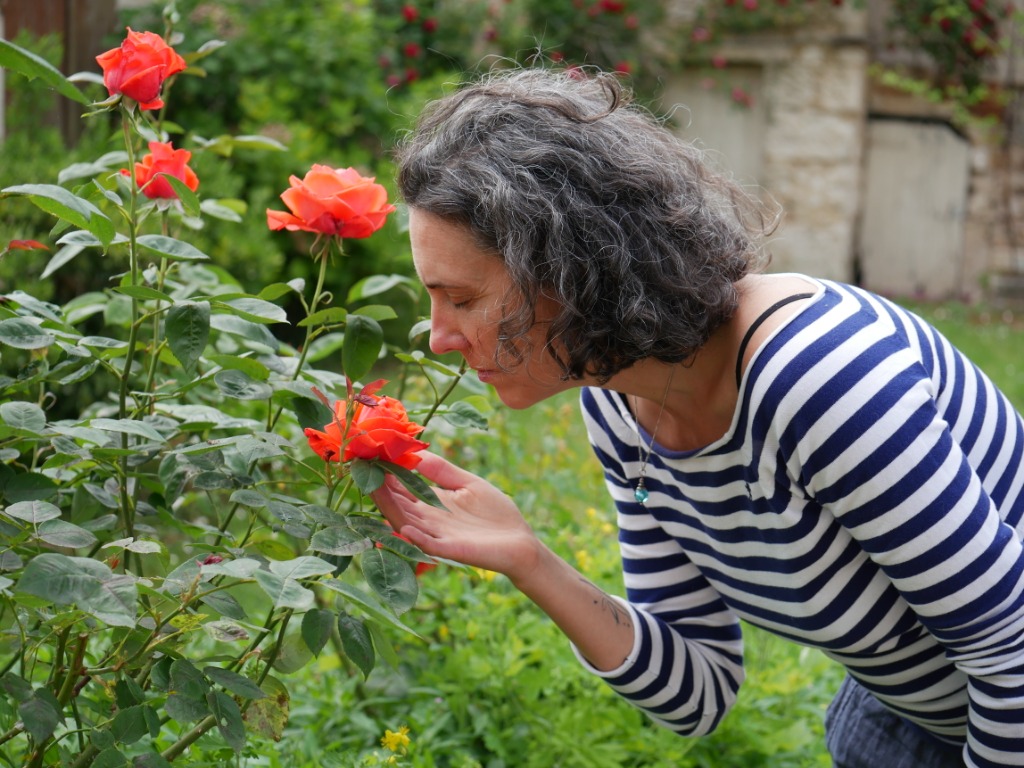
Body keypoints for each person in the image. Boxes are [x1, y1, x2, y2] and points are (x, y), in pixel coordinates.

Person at [371, 67, 1024, 768]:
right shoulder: (620, 406)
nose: (438, 338)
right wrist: (528, 560)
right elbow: (697, 691)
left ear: (571, 270)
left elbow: (1011, 652)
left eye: (462, 299)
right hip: (912, 719)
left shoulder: (823, 378)